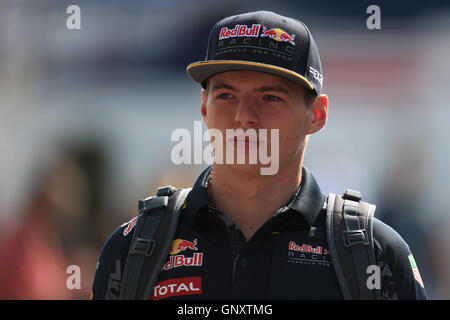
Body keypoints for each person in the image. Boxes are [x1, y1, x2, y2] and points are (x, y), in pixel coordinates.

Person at [91, 11, 428, 300]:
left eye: (270, 97)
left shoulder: (373, 252)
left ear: (317, 115)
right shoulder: (134, 247)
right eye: (226, 95)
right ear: (204, 109)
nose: (244, 116)